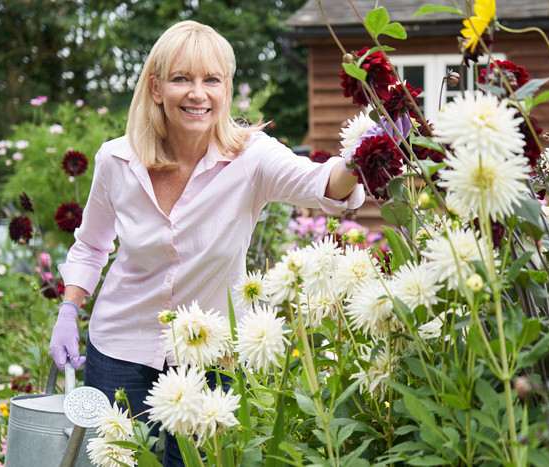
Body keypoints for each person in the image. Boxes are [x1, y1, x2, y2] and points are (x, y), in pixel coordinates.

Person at [48, 20, 364, 466]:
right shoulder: (116, 159)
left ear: (226, 89)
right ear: (157, 89)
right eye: (182, 79)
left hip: (208, 360)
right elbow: (92, 245)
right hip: (119, 349)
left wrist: (364, 152)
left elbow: (323, 184)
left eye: (211, 80)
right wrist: (68, 308)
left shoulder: (252, 157)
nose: (198, 94)